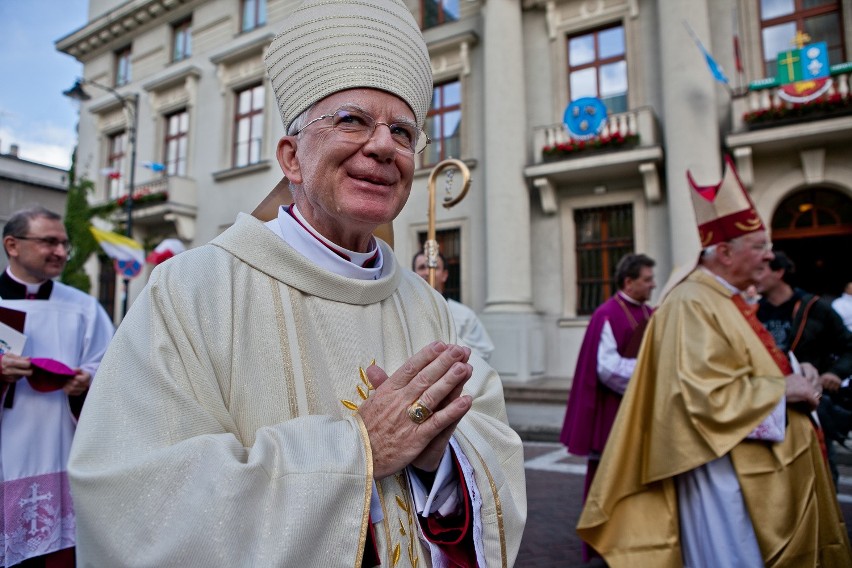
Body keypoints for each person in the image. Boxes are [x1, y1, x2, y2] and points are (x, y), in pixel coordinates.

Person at [67, 1, 526, 567]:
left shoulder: (430, 309)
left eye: (403, 132)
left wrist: (443, 460)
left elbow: (496, 453)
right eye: (353, 121)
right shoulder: (192, 291)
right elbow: (132, 497)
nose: (383, 146)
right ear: (291, 157)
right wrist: (357, 450)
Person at [577, 156, 851, 566]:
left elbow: (741, 362)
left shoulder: (727, 297)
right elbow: (698, 395)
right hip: (723, 479)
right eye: (760, 247)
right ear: (724, 251)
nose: (768, 258)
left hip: (747, 467)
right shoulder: (691, 302)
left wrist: (797, 370)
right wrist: (782, 391)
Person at [0, 207, 114, 567]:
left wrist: (88, 380)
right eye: (49, 242)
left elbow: (110, 366)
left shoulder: (83, 308)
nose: (61, 252)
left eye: (64, 244)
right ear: (12, 245)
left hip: (60, 445)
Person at [559, 252, 655, 560]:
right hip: (612, 413)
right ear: (629, 281)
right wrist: (648, 373)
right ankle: (605, 541)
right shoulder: (607, 314)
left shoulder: (649, 313)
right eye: (647, 279)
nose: (653, 285)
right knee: (608, 478)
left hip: (642, 411)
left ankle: (639, 538)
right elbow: (607, 368)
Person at [756, 251, 852, 484]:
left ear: (779, 273)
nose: (755, 277)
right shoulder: (755, 311)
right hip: (773, 408)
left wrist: (834, 373)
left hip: (812, 407)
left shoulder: (815, 308)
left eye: (761, 271)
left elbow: (849, 346)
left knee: (820, 470)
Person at [412, 251, 495, 361]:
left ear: (445, 275)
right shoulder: (405, 313)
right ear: (413, 274)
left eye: (434, 267)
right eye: (422, 267)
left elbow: (483, 351)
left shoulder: (464, 315)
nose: (428, 272)